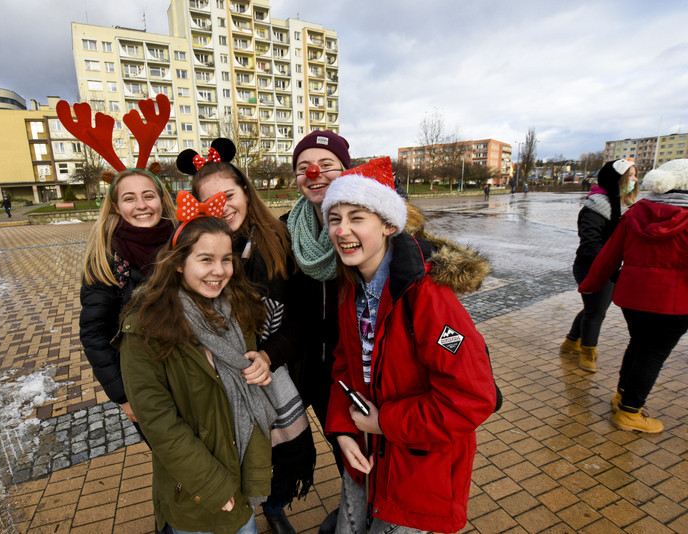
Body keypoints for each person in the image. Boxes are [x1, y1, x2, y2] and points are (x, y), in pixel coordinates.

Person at [321, 157, 496, 533]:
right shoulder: (351, 285)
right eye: (335, 219)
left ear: (387, 225)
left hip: (418, 469)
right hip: (366, 458)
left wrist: (384, 422)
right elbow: (344, 364)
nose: (342, 230)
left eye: (357, 217)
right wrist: (343, 429)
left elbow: (472, 398)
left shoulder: (429, 297)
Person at [118, 198, 304, 534]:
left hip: (243, 475)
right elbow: (158, 421)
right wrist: (214, 486)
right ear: (178, 263)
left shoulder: (237, 309)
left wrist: (262, 364)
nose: (219, 271)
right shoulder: (146, 328)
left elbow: (245, 387)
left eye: (226, 260)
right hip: (197, 492)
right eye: (205, 259)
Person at [179, 139, 315, 534]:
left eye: (229, 194)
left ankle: (273, 506)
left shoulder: (278, 240)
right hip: (221, 375)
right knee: (233, 448)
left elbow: (300, 317)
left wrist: (269, 356)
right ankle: (242, 509)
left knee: (276, 450)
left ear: (245, 191)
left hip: (275, 369)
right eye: (210, 200)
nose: (223, 205)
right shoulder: (197, 250)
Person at [579, 159, 688, 433]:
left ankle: (622, 394)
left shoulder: (636, 212)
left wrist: (591, 284)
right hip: (674, 303)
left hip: (632, 298)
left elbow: (609, 255)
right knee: (652, 354)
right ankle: (630, 411)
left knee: (639, 345)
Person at [283, 130, 351, 533]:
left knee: (360, 451)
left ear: (345, 169)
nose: (314, 172)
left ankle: (364, 510)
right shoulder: (284, 230)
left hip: (354, 369)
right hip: (305, 365)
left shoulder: (368, 223)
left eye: (326, 164)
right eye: (304, 167)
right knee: (322, 443)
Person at [79, 165, 176, 443]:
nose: (142, 205)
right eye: (129, 198)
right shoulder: (108, 258)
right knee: (177, 460)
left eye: (149, 195)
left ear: (161, 199)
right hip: (147, 384)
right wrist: (123, 395)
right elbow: (94, 333)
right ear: (116, 206)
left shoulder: (184, 241)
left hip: (196, 374)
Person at [560, 159, 638, 371]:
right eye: (631, 175)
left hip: (611, 267)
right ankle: (587, 352)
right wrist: (610, 266)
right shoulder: (595, 207)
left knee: (593, 308)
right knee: (596, 311)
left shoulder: (624, 206)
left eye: (635, 175)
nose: (635, 180)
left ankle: (571, 340)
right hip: (591, 266)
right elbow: (590, 244)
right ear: (618, 179)